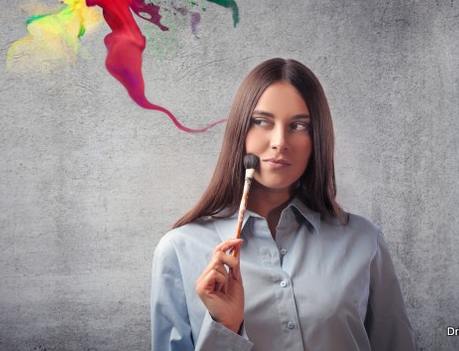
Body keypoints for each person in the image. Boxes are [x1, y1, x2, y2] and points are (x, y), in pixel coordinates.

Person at [151, 58, 417, 351]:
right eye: (262, 121)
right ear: (240, 130)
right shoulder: (178, 251)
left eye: (299, 125)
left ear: (317, 139)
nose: (280, 141)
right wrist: (225, 328)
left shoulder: (365, 241)